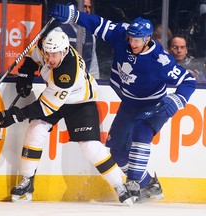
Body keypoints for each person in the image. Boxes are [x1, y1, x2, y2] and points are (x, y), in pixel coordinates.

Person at [49, 4, 197, 203]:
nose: (133, 43)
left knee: (142, 131)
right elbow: (97, 23)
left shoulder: (160, 60)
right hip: (130, 104)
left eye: (137, 40)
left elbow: (188, 81)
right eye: (131, 38)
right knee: (117, 152)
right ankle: (149, 185)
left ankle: (134, 182)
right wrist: (73, 15)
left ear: (147, 40)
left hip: (155, 105)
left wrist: (177, 99)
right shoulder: (122, 35)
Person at [0, 30, 133, 206]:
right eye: (48, 54)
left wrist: (15, 115)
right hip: (56, 97)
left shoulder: (65, 74)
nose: (50, 58)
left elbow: (44, 107)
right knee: (36, 128)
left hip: (80, 102)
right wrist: (26, 73)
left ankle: (120, 185)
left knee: (90, 146)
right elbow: (33, 56)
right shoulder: (46, 46)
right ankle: (27, 182)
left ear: (65, 51)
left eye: (55, 54)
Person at [54, 0, 100, 79]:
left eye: (89, 7)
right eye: (84, 7)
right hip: (62, 82)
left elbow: (93, 66)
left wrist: (96, 82)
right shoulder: (59, 32)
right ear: (74, 8)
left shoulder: (91, 36)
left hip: (84, 84)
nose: (88, 10)